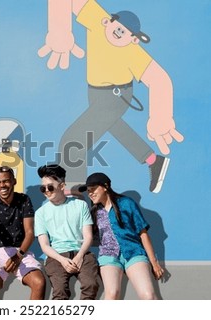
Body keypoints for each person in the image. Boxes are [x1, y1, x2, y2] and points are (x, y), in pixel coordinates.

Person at [38, 0, 183, 193]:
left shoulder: (134, 53)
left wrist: (160, 117)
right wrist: (61, 28)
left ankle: (74, 194)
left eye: (126, 33)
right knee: (116, 128)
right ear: (108, 22)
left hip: (116, 96)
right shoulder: (97, 19)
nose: (119, 33)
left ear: (134, 39)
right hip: (95, 92)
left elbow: (159, 79)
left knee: (73, 141)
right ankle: (153, 160)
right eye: (118, 27)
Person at [79, 172, 164, 299]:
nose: (90, 193)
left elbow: (143, 233)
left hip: (133, 253)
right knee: (112, 294)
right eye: (88, 191)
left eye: (93, 189)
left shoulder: (126, 203)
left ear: (105, 186)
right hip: (108, 255)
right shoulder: (94, 211)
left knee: (148, 295)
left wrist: (154, 262)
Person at [0, 166, 46, 300]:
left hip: (20, 251)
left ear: (14, 181)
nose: (2, 185)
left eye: (6, 181)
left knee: (39, 282)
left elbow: (29, 232)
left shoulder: (24, 199)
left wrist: (18, 256)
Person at [35, 164, 99, 300]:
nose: (46, 191)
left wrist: (80, 256)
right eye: (43, 188)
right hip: (56, 255)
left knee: (91, 285)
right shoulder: (40, 213)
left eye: (50, 187)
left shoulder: (80, 205)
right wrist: (62, 260)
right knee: (60, 291)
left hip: (82, 252)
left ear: (62, 186)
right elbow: (44, 245)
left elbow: (88, 237)